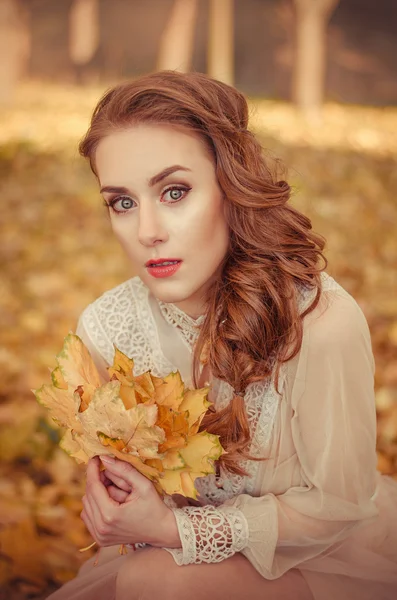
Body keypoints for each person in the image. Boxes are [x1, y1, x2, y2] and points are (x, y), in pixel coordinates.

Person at [46, 70, 397, 600]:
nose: (147, 231)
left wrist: (174, 530)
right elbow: (125, 503)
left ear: (230, 184)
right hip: (173, 570)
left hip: (329, 563)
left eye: (174, 191)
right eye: (122, 202)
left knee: (153, 583)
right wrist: (113, 506)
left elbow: (340, 508)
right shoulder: (104, 329)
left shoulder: (321, 322)